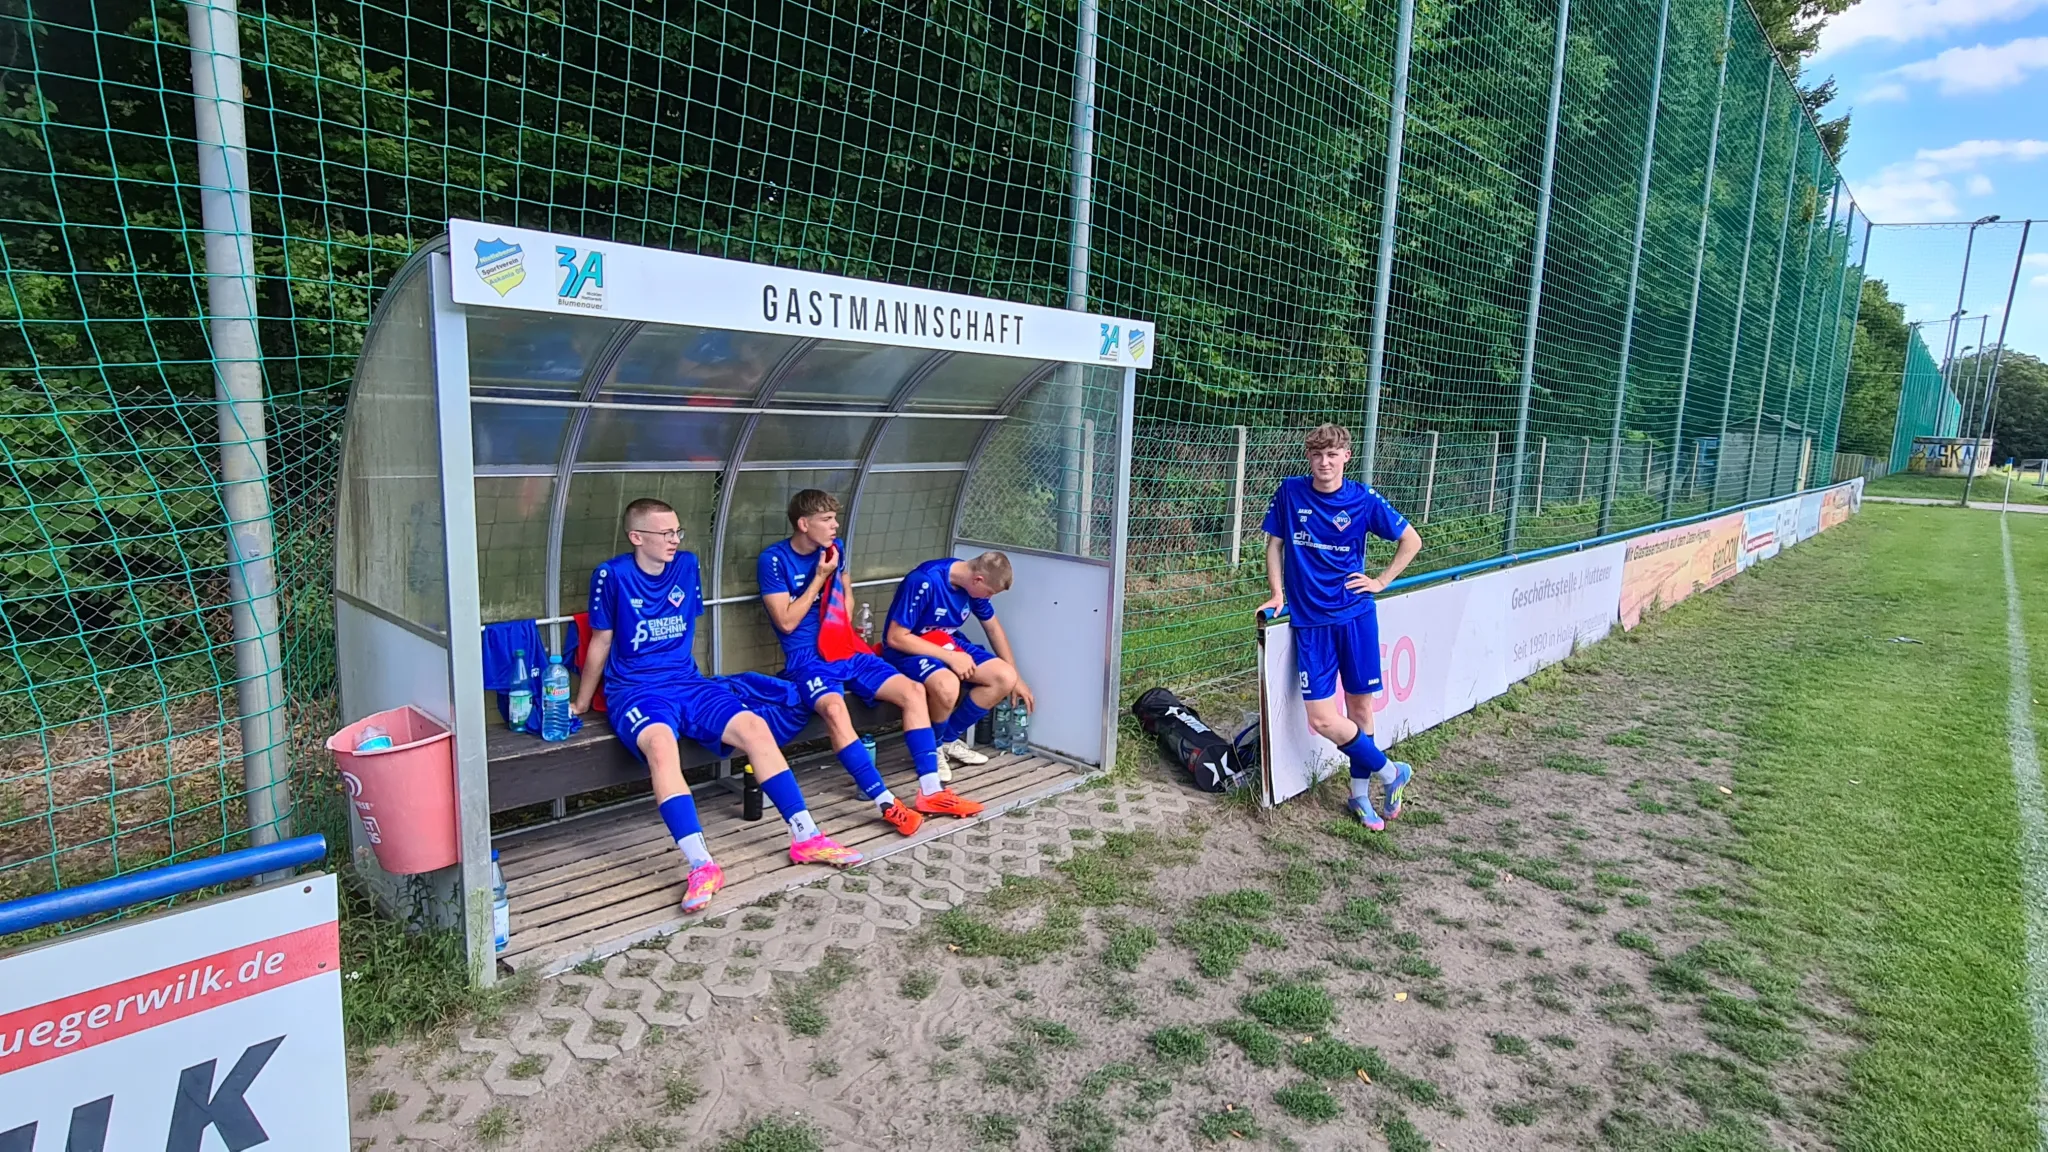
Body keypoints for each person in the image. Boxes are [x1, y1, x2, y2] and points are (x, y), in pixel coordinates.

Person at [572, 498, 863, 917]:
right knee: (661, 746)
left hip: (688, 682)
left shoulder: (687, 565)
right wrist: (583, 702)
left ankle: (807, 837)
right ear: (636, 537)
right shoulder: (612, 574)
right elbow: (601, 640)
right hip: (636, 691)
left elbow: (685, 628)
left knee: (755, 728)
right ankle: (701, 865)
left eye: (677, 531)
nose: (674, 540)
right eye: (665, 533)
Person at [758, 490, 987, 833]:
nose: (835, 525)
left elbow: (847, 597)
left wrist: (840, 616)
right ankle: (886, 802)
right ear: (804, 524)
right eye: (826, 519)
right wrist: (819, 577)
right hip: (807, 658)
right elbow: (786, 622)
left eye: (835, 518)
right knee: (835, 709)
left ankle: (931, 792)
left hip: (845, 645)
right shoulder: (774, 560)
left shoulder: (835, 549)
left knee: (913, 691)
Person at [1256, 423, 1423, 831]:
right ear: (1309, 458)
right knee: (1322, 719)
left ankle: (1360, 797)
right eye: (1317, 455)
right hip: (1311, 623)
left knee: (1360, 708)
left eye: (1332, 455)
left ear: (1346, 456)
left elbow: (1411, 540)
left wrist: (1380, 581)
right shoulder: (1291, 492)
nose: (1324, 462)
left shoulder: (1363, 499)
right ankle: (1391, 771)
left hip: (1355, 617)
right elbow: (1275, 544)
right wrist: (1277, 593)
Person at [882, 551, 1035, 778]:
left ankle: (947, 740)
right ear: (978, 580)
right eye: (990, 592)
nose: (989, 598)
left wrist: (1016, 676)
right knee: (948, 685)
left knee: (1005, 677)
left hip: (946, 643)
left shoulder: (971, 586)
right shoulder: (924, 580)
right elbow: (896, 637)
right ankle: (932, 748)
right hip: (908, 650)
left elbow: (993, 628)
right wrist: (950, 657)